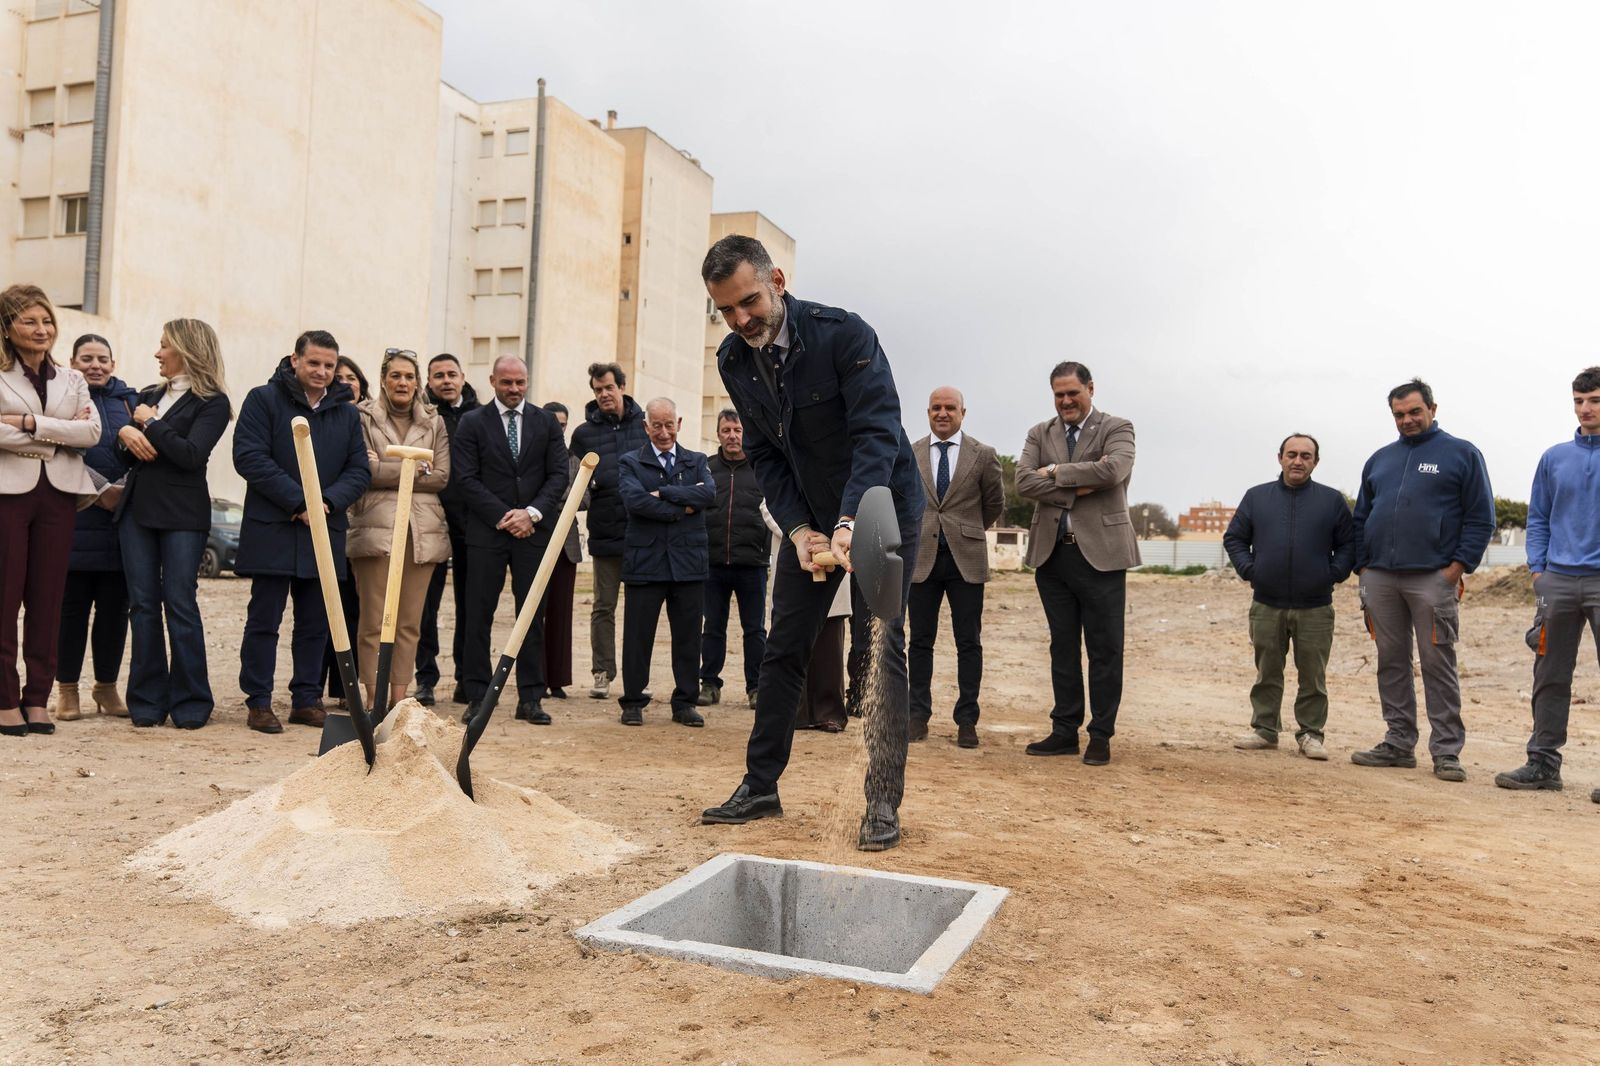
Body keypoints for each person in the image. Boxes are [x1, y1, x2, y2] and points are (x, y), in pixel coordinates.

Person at [697, 234, 925, 852]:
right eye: (727, 311)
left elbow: (877, 435)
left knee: (883, 642)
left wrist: (852, 519)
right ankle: (760, 785)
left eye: (749, 302)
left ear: (776, 278)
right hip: (811, 518)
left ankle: (881, 803)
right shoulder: (733, 360)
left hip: (882, 503)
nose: (742, 320)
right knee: (783, 647)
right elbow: (767, 456)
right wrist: (800, 530)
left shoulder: (844, 335)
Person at [1349, 378, 1494, 782]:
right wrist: (1362, 566)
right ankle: (1398, 743)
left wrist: (1456, 569)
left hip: (1433, 577)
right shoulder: (1380, 459)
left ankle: (1446, 752)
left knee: (1437, 663)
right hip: (1379, 578)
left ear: (1432, 408)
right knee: (1390, 662)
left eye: (1414, 411)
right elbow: (1361, 516)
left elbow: (1482, 517)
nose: (1407, 420)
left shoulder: (1462, 454)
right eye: (1399, 414)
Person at [233, 331, 371, 734]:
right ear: (295, 359)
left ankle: (306, 699)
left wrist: (325, 503)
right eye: (314, 363)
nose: (322, 372)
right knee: (264, 620)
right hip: (273, 527)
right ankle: (258, 702)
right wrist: (299, 501)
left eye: (329, 366)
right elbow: (249, 456)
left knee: (316, 622)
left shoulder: (346, 414)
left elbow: (359, 469)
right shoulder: (263, 399)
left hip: (324, 529)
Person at [1016, 362, 1140, 766]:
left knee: (1105, 649)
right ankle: (1064, 731)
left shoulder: (1117, 427)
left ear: (1090, 388)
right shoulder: (1040, 432)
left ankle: (1100, 735)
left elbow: (1114, 469)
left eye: (1073, 393)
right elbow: (1022, 482)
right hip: (1053, 554)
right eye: (1059, 394)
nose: (1066, 401)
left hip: (1102, 556)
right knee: (1062, 647)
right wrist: (1081, 485)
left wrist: (1054, 473)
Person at [114, 320, 233, 729]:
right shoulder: (148, 396)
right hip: (136, 514)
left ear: (186, 349)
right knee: (142, 605)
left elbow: (190, 455)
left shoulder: (213, 403)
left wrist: (149, 423)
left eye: (164, 346)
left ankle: (192, 702)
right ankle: (146, 702)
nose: (157, 353)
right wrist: (126, 434)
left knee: (179, 604)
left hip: (183, 516)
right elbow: (125, 457)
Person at [0, 284, 100, 737]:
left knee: (48, 600)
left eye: (48, 321)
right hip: (8, 494)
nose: (43, 330)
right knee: (4, 599)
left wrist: (27, 424)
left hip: (59, 495)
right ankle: (4, 700)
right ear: (6, 327)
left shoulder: (72, 379)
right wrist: (61, 433)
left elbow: (92, 433)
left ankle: (37, 698)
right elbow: (73, 433)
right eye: (30, 321)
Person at [1495, 368, 1600, 793]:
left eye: (1594, 400)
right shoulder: (1554, 457)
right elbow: (1537, 516)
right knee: (1551, 675)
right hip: (1557, 581)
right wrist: (1538, 569)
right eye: (1578, 401)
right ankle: (1543, 763)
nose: (1585, 409)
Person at [1222, 434, 1356, 760]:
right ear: (1279, 457)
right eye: (1292, 454)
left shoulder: (1332, 500)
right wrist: (1251, 570)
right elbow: (1235, 538)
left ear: (1316, 462)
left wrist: (1332, 573)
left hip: (1316, 606)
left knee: (1313, 676)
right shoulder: (1257, 497)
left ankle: (1311, 734)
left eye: (1306, 456)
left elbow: (1350, 544)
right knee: (1267, 671)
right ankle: (1264, 730)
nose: (1298, 461)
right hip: (1266, 603)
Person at [452, 355, 569, 724]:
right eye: (507, 383)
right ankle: (476, 695)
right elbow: (466, 478)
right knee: (477, 616)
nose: (514, 389)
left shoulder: (546, 422)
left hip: (533, 533)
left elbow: (559, 474)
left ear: (527, 381)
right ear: (492, 381)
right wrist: (505, 516)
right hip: (487, 533)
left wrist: (531, 513)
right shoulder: (472, 423)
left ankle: (530, 697)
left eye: (520, 382)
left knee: (531, 615)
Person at [346, 349, 450, 711]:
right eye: (395, 376)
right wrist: (414, 467)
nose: (402, 383)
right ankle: (374, 700)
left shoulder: (434, 421)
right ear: (383, 380)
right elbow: (364, 470)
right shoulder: (362, 417)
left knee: (409, 622)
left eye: (409, 376)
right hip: (376, 529)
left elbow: (441, 476)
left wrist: (388, 465)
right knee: (374, 620)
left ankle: (399, 702)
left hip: (422, 533)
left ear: (417, 382)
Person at [908, 386, 1005, 749]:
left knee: (969, 642)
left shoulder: (983, 455)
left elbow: (994, 503)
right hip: (921, 560)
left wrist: (967, 529)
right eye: (936, 407)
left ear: (964, 412)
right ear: (928, 412)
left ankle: (967, 720)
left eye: (950, 407)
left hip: (966, 559)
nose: (943, 413)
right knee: (919, 642)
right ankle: (917, 716)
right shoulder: (911, 453)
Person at [53, 334, 137, 720]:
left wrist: (125, 489)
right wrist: (100, 489)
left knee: (114, 612)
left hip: (122, 526)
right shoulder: (61, 397)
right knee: (70, 611)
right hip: (75, 517)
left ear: (113, 364)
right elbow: (57, 448)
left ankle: (106, 687)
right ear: (73, 361)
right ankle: (67, 690)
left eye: (103, 358)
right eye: (87, 358)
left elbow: (147, 449)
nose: (95, 365)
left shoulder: (130, 402)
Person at [616, 397, 714, 727]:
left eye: (668, 424)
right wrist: (684, 507)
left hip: (688, 563)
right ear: (646, 427)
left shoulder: (697, 460)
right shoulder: (630, 462)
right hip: (645, 562)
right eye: (656, 425)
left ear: (679, 424)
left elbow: (708, 495)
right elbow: (635, 502)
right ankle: (632, 701)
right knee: (637, 637)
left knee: (688, 637)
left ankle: (685, 701)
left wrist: (663, 493)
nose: (663, 431)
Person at [569, 362, 647, 699]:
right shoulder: (583, 435)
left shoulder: (644, 427)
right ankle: (602, 672)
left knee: (640, 607)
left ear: (622, 387)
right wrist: (593, 488)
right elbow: (575, 485)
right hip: (604, 534)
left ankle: (635, 675)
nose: (603, 395)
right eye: (597, 390)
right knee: (603, 607)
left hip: (643, 533)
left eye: (608, 388)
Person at [415, 352, 480, 705]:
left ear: (462, 376)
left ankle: (465, 677)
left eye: (451, 374)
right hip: (431, 518)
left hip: (471, 522)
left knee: (470, 605)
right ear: (429, 381)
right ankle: (425, 677)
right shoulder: (421, 416)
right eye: (438, 375)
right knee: (427, 604)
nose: (445, 380)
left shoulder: (480, 415)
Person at [697, 408, 771, 710]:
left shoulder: (761, 470)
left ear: (746, 433)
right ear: (718, 434)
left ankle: (755, 687)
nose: (732, 436)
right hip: (712, 564)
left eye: (737, 430)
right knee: (712, 627)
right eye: (726, 430)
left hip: (752, 564)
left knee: (755, 630)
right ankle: (709, 684)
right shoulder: (705, 469)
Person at [320, 354, 368, 709]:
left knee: (356, 613)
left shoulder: (368, 417)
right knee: (330, 611)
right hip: (334, 520)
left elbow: (366, 469)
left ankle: (346, 687)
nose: (347, 381)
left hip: (365, 524)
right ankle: (328, 684)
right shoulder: (328, 416)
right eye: (342, 376)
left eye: (354, 376)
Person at [541, 401, 583, 700]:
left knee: (561, 614)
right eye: (554, 422)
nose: (559, 427)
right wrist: (563, 495)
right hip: (537, 542)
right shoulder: (533, 457)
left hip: (566, 546)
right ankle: (534, 678)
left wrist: (550, 497)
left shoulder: (577, 461)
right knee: (534, 615)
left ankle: (557, 680)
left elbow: (586, 499)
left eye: (563, 423)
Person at [794, 574, 852, 734]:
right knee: (793, 643)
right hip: (792, 565)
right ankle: (796, 711)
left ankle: (829, 712)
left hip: (833, 564)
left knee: (830, 648)